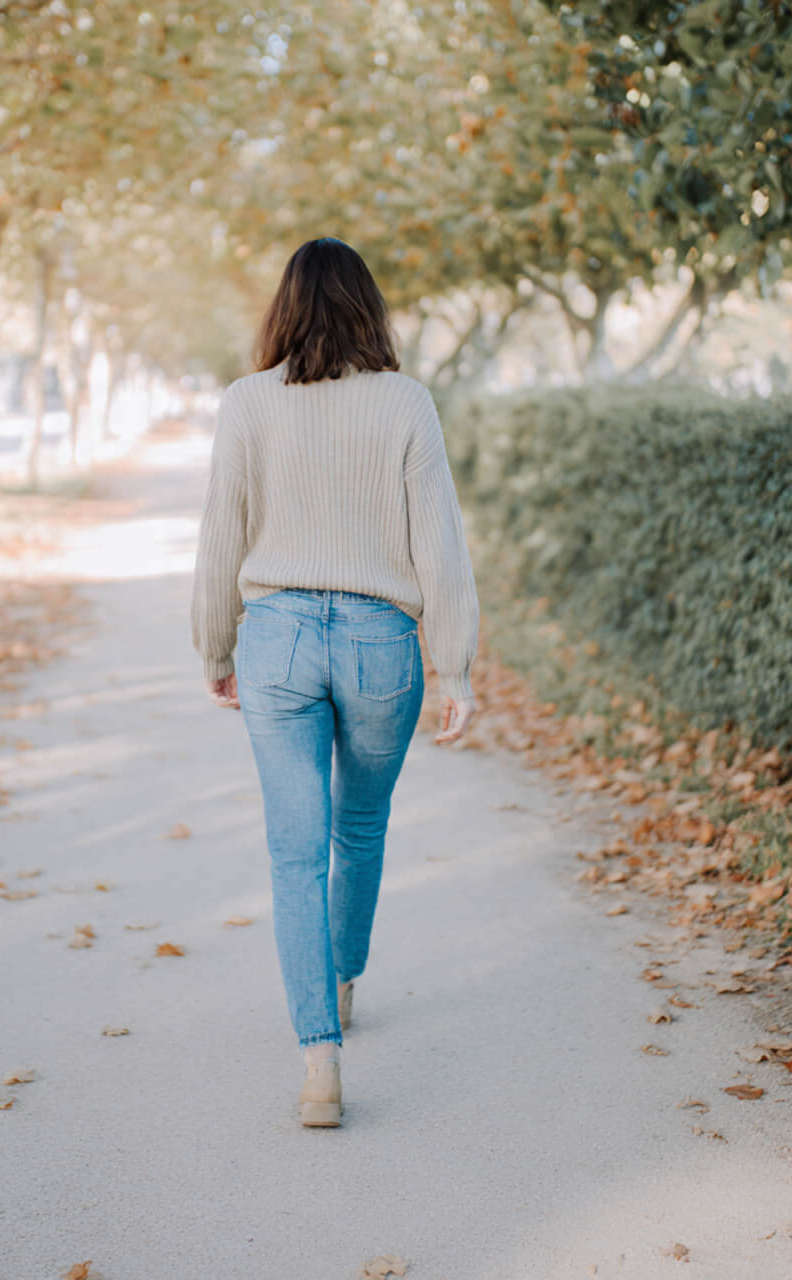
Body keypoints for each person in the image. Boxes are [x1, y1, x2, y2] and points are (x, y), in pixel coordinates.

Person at [189, 237, 481, 1127]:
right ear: (369, 308)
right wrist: (454, 663)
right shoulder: (405, 403)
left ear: (285, 308)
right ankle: (344, 979)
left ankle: (320, 1059)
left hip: (275, 641)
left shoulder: (248, 405)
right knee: (359, 827)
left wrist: (214, 648)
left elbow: (221, 534)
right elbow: (439, 540)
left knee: (293, 848)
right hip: (379, 641)